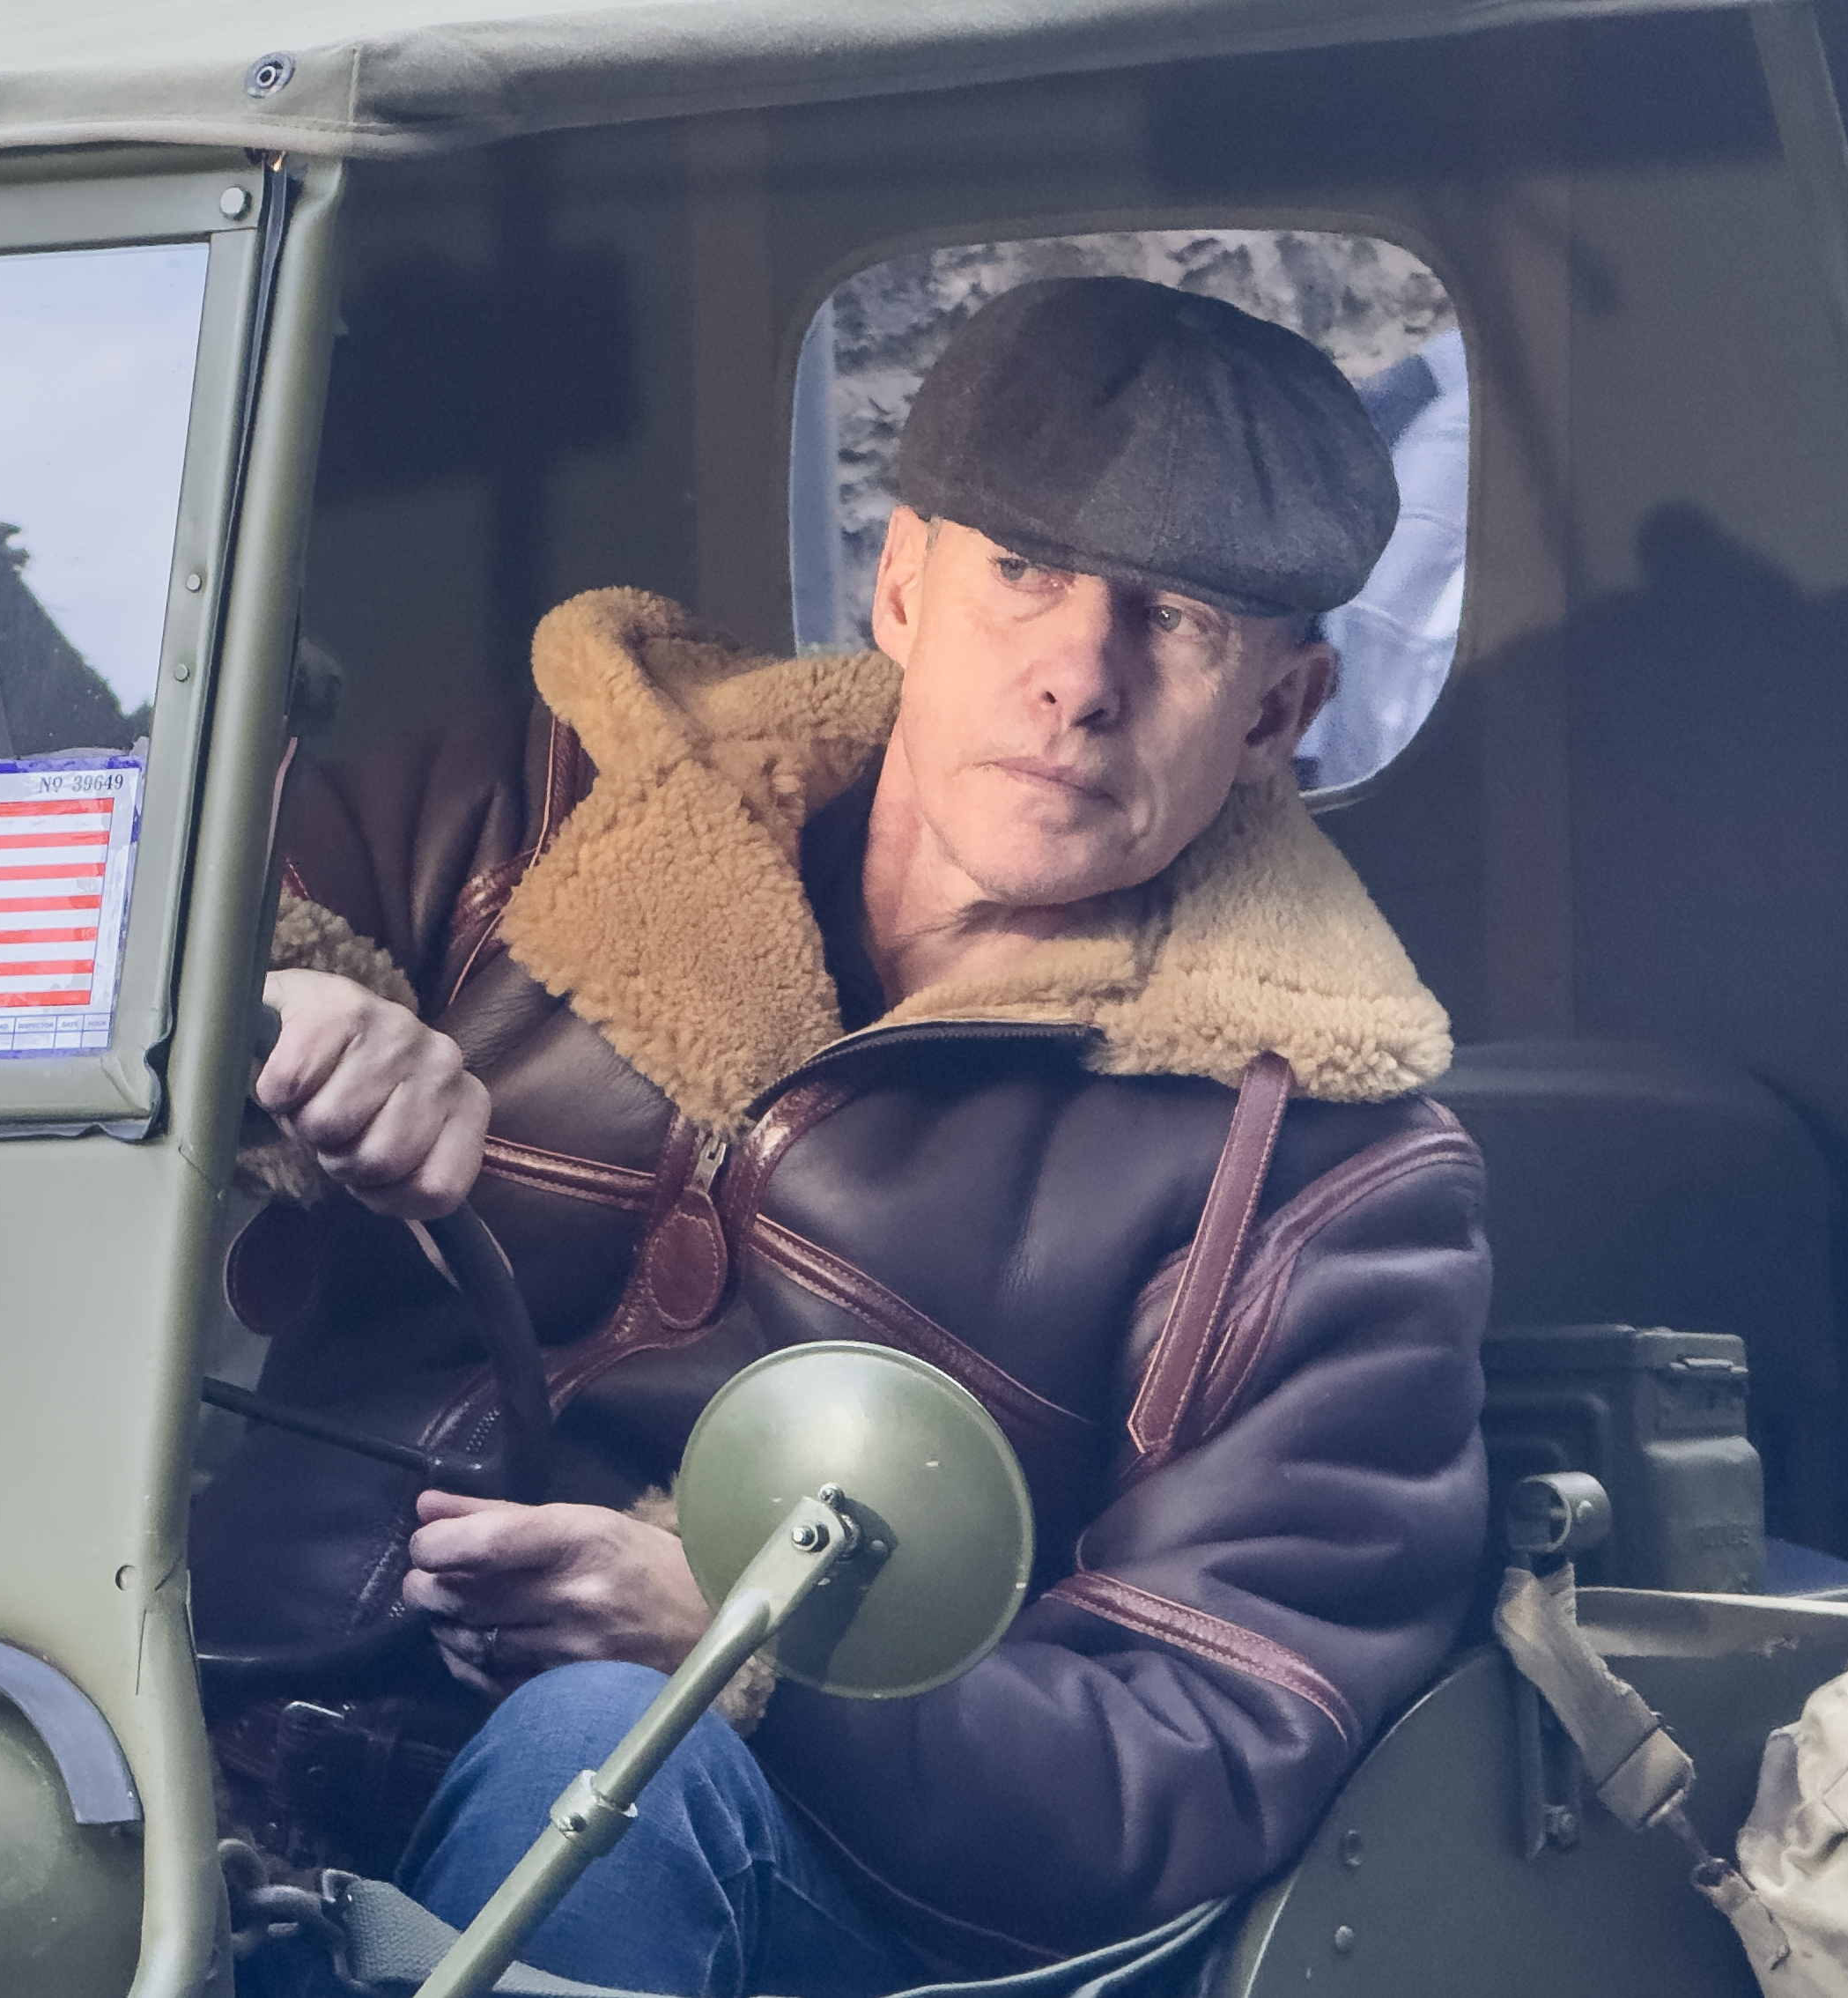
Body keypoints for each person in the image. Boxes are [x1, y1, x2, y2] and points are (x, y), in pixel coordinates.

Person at [195, 276, 1491, 1998]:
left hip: (793, 1872)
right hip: (227, 1704)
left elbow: (1211, 1735)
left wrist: (744, 1663)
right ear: (902, 586)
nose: (1076, 680)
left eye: (1175, 621)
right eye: (1023, 576)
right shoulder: (542, 806)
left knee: (608, 1746)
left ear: (1277, 710)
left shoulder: (1330, 1170)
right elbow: (116, 955)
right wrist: (269, 1025)